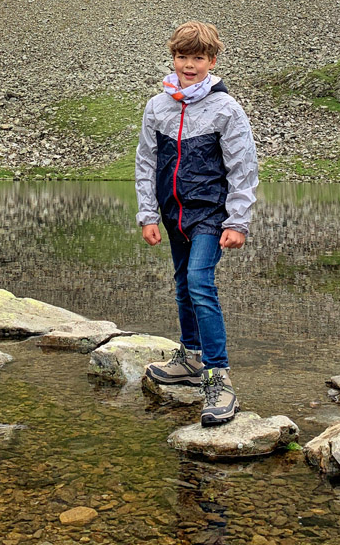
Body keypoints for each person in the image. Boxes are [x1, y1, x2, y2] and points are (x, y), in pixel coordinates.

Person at [135, 21, 258, 426]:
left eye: (198, 58)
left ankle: (218, 378)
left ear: (212, 61)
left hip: (210, 214)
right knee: (182, 283)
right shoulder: (157, 106)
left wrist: (237, 221)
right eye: (182, 57)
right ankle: (190, 357)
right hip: (173, 215)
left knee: (199, 282)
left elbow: (243, 167)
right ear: (173, 58)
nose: (189, 65)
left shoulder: (226, 109)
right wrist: (148, 214)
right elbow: (146, 163)